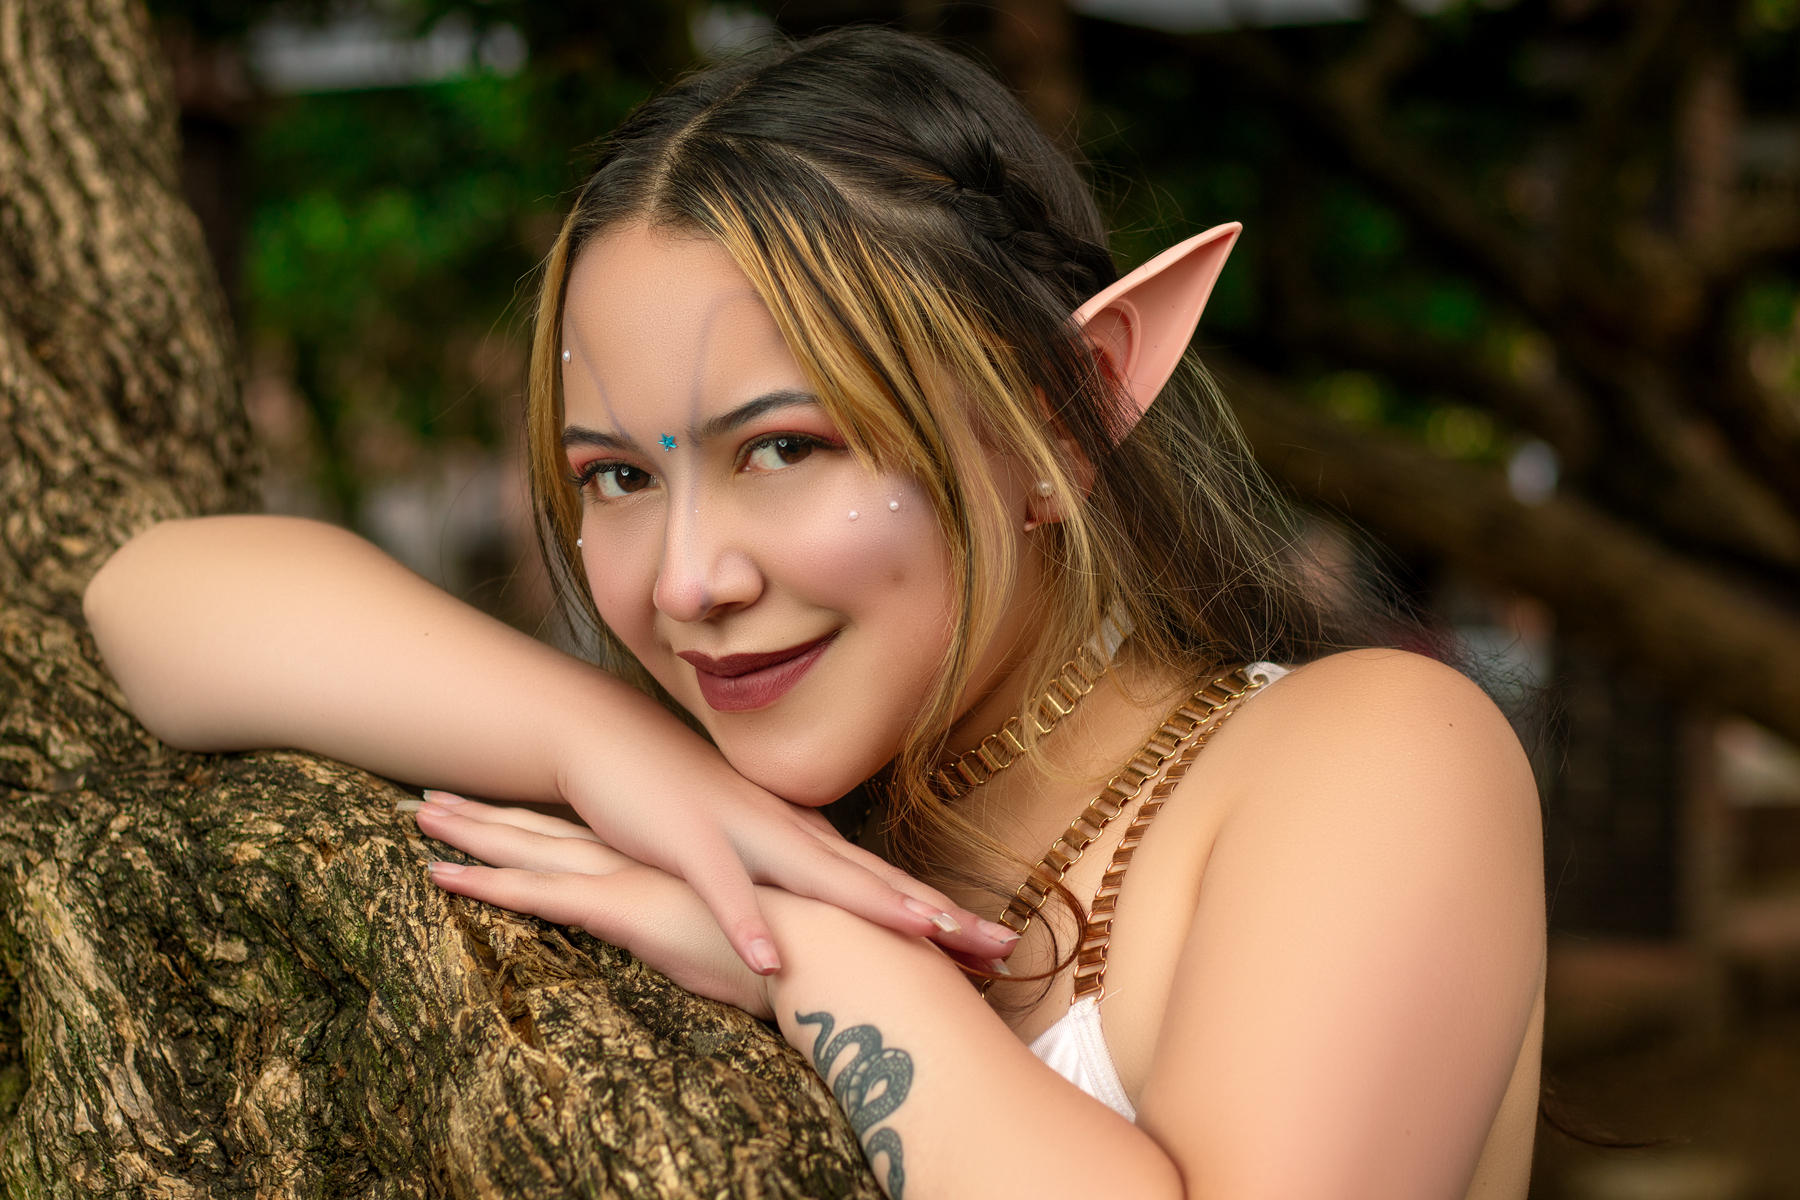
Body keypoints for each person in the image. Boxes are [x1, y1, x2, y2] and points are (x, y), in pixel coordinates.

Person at [84, 27, 1545, 1199]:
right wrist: (606, 747)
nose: (684, 583)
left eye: (784, 448)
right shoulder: (714, 781)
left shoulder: (1373, 761)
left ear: (1062, 420)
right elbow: (153, 599)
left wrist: (817, 950)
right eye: (615, 476)